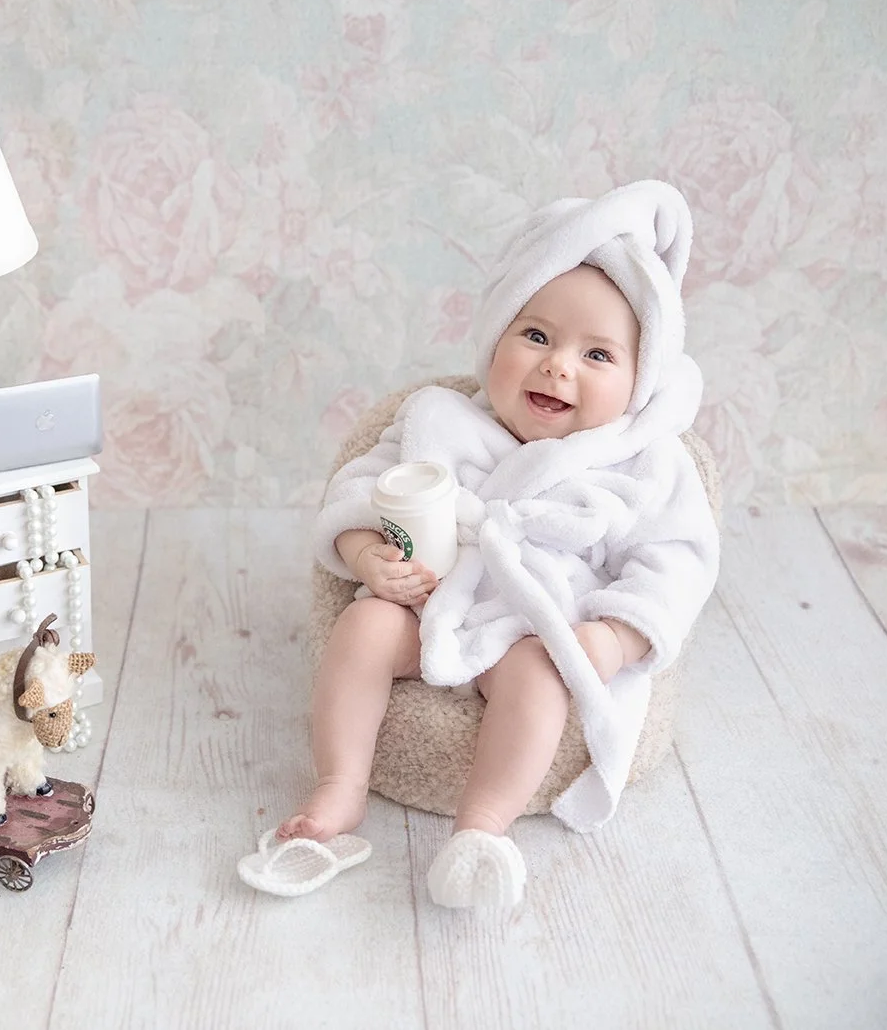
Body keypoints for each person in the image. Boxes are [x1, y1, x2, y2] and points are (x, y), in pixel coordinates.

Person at [277, 181, 720, 908]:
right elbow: (360, 484)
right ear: (494, 338)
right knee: (360, 624)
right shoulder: (438, 417)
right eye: (536, 335)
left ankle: (482, 827)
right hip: (432, 597)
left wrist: (615, 635)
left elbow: (676, 559)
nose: (557, 365)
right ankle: (339, 783)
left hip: (541, 622)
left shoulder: (645, 460)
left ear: (640, 379)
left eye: (597, 354)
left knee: (539, 675)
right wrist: (365, 556)